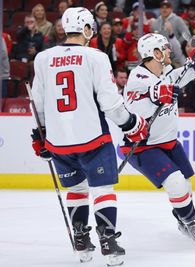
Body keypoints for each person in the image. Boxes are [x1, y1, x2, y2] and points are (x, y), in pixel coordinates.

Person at [30, 7, 148, 266]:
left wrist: (40, 136)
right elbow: (109, 101)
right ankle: (108, 241)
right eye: (90, 28)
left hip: (59, 142)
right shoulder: (95, 56)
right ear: (85, 29)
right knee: (102, 189)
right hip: (92, 137)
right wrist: (131, 123)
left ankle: (81, 241)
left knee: (76, 189)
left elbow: (37, 103)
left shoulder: (43, 57)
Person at [120, 33, 195, 246]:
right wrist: (158, 93)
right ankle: (193, 222)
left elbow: (180, 76)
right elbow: (145, 97)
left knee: (185, 185)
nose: (170, 51)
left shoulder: (165, 71)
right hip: (142, 146)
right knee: (176, 182)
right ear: (156, 53)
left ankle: (182, 221)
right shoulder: (137, 78)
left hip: (168, 141)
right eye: (166, 48)